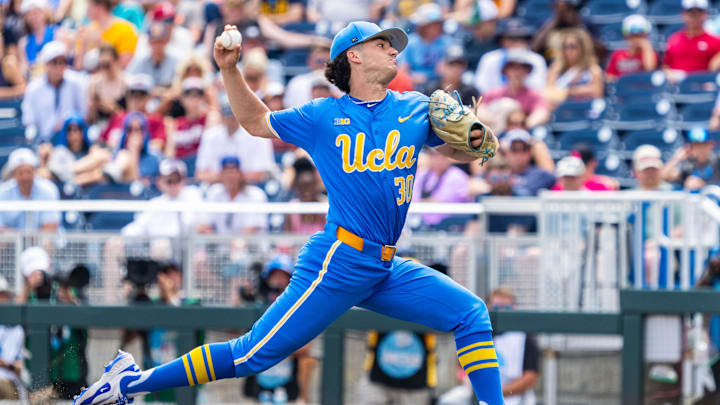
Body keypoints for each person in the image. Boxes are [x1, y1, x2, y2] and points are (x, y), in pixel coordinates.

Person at [74, 20, 504, 405]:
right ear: (353, 54)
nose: (394, 50)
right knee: (251, 354)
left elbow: (457, 151)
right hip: (341, 259)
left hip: (385, 266)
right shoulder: (323, 115)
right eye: (382, 44)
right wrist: (229, 69)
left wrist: (476, 138)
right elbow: (257, 123)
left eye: (393, 45)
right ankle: (127, 383)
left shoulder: (415, 106)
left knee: (471, 314)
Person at [439, 288, 539, 405]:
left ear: (514, 308)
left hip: (514, 395)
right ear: (487, 307)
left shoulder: (524, 336)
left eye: (506, 308)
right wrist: (469, 383)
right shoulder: (476, 331)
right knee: (447, 401)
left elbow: (530, 377)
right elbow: (462, 369)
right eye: (496, 307)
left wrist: (497, 393)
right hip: (477, 392)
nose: (501, 311)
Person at [242, 255, 317, 404]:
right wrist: (242, 294)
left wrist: (275, 344)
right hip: (260, 381)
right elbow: (235, 336)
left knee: (307, 360)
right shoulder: (258, 303)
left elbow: (305, 349)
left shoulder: (299, 306)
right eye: (274, 276)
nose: (278, 281)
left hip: (288, 383)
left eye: (283, 276)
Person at [196, 95, 277, 184]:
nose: (231, 119)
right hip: (217, 188)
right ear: (222, 115)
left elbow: (261, 174)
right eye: (227, 115)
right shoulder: (210, 136)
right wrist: (230, 178)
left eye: (234, 115)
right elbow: (200, 174)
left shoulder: (258, 135)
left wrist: (226, 177)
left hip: (251, 187)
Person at [21, 41, 87, 142]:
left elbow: (83, 112)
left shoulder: (77, 82)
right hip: (44, 140)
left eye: (62, 62)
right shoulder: (34, 88)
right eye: (54, 63)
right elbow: (29, 120)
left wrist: (67, 124)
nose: (59, 67)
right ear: (46, 65)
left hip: (72, 141)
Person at [121, 159, 201, 238]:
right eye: (169, 181)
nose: (173, 185)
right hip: (161, 247)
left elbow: (191, 226)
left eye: (177, 180)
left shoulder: (193, 194)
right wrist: (120, 238)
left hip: (187, 248)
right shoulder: (155, 204)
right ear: (159, 182)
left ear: (184, 180)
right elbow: (138, 227)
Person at [479, 49, 551, 129]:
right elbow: (479, 110)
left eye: (522, 68)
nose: (517, 73)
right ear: (506, 71)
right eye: (513, 68)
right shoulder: (494, 93)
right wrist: (495, 121)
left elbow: (542, 112)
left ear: (527, 72)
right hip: (495, 135)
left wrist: (521, 124)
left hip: (521, 137)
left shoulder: (533, 95)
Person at [197, 156, 269, 234]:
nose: (230, 177)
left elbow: (253, 229)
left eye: (233, 172)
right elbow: (204, 224)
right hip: (220, 243)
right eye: (226, 173)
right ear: (221, 175)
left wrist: (238, 241)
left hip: (251, 244)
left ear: (240, 174)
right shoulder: (214, 192)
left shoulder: (256, 195)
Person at [474, 18, 547, 94]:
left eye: (521, 38)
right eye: (511, 38)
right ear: (502, 40)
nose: (517, 42)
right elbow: (481, 87)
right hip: (494, 102)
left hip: (527, 102)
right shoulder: (490, 58)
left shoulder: (536, 60)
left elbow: (538, 88)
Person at [100, 74, 166, 151]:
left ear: (149, 97)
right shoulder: (117, 117)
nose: (136, 98)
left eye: (141, 94)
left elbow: (158, 146)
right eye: (132, 93)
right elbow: (101, 142)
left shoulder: (155, 120)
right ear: (127, 95)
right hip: (111, 158)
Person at [0, 148, 60, 232]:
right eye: (20, 173)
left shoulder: (48, 189)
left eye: (28, 172)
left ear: (34, 171)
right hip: (12, 244)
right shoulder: (3, 192)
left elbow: (50, 230)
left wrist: (18, 236)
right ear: (13, 174)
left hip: (43, 244)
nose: (25, 177)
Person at [398, 3, 456, 87]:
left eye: (438, 24)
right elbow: (403, 69)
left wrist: (445, 68)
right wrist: (412, 77)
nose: (436, 27)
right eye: (431, 25)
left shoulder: (447, 42)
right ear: (423, 26)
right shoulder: (411, 42)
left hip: (439, 84)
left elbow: (451, 67)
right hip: (414, 84)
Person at [663, 0, 720, 82]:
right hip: (676, 88)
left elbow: (714, 67)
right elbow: (666, 65)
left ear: (705, 15)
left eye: (698, 13)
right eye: (691, 13)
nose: (694, 17)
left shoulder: (715, 41)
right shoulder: (674, 39)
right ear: (684, 14)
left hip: (702, 88)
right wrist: (668, 74)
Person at [545, 28, 604, 106]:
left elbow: (597, 93)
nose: (568, 51)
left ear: (582, 48)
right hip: (561, 110)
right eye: (565, 47)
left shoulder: (593, 69)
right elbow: (548, 93)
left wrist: (568, 92)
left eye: (572, 46)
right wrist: (583, 90)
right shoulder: (556, 68)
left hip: (585, 110)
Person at [412, 149, 470, 227]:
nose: (438, 159)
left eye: (442, 156)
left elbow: (440, 201)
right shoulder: (422, 173)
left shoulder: (457, 175)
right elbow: (412, 198)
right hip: (419, 225)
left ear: (449, 158)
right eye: (434, 155)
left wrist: (419, 203)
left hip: (448, 227)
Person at [75, 0, 138, 69]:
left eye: (90, 5)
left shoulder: (126, 29)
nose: (87, 9)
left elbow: (123, 66)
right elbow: (79, 67)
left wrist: (99, 43)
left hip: (112, 78)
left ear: (101, 7)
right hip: (87, 77)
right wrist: (84, 45)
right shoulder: (87, 30)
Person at [605, 14, 658, 81]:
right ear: (626, 37)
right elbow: (609, 76)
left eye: (640, 36)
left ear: (646, 37)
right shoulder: (617, 54)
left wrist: (647, 48)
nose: (636, 39)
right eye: (633, 36)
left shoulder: (650, 54)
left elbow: (649, 69)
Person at [503, 129, 556, 196]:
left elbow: (555, 177)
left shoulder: (541, 175)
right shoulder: (497, 174)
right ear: (505, 152)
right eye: (514, 149)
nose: (520, 154)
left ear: (531, 151)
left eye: (524, 149)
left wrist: (538, 148)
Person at [284, 157, 327, 234]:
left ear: (315, 185)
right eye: (302, 186)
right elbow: (287, 240)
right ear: (297, 186)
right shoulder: (292, 208)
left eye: (309, 185)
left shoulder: (325, 208)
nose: (306, 191)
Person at [0, 276, 26, 401]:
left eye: (4, 294)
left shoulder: (17, 329)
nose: (3, 299)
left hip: (9, 382)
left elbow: (19, 367)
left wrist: (8, 365)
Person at [87, 44, 126, 124]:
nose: (104, 69)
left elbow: (131, 116)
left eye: (107, 65)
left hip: (120, 126)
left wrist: (114, 110)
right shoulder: (94, 82)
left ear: (116, 61)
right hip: (100, 126)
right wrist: (93, 107)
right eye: (101, 65)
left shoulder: (126, 83)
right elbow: (90, 118)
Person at [551, 144, 617, 191]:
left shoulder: (603, 185)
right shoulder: (559, 187)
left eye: (583, 164)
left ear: (593, 164)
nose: (570, 180)